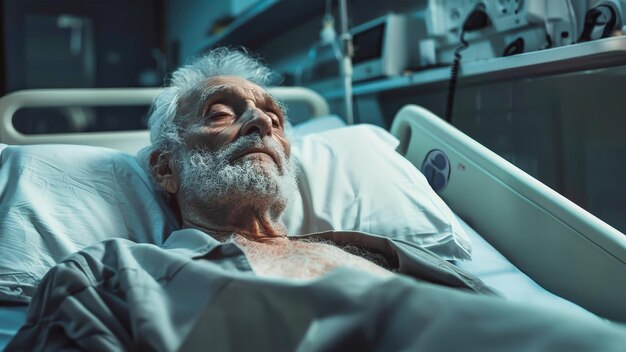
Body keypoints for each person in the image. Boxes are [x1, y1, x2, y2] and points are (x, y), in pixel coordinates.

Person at [7, 48, 626, 351]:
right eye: (224, 112)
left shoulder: (398, 254)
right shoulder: (112, 276)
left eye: (274, 118)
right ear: (165, 168)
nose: (261, 124)